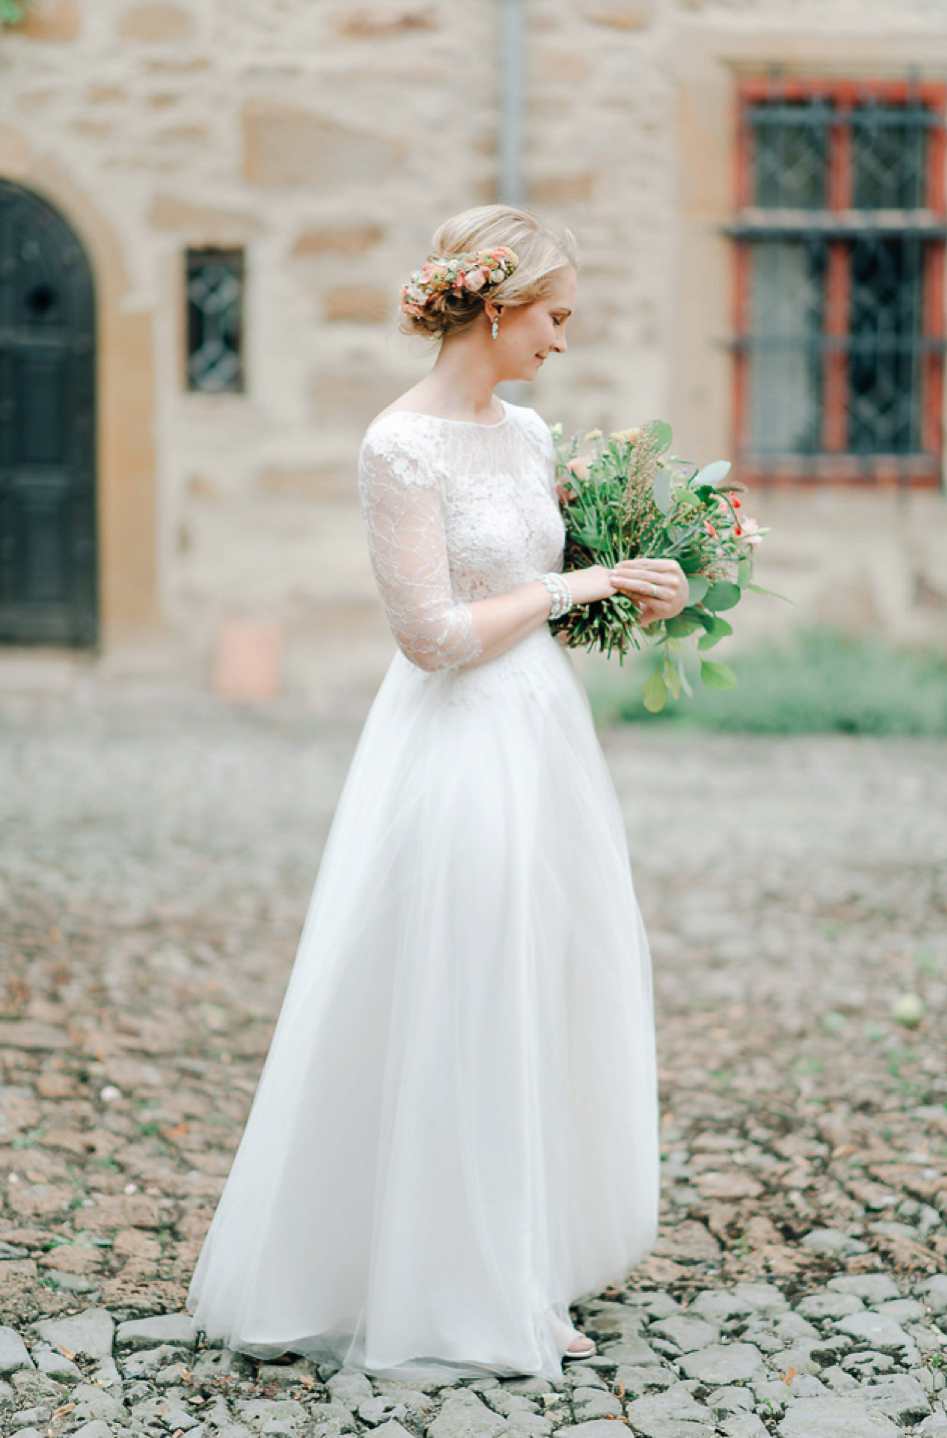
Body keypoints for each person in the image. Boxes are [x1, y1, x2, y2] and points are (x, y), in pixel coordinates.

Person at [188, 204, 689, 1380]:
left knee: (544, 980)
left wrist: (627, 589)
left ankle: (526, 1253)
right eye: (555, 317)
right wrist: (579, 589)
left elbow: (544, 579)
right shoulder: (395, 447)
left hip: (543, 737)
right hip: (454, 744)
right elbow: (430, 635)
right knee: (464, 987)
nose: (564, 341)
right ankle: (454, 1278)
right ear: (499, 308)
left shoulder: (527, 435)